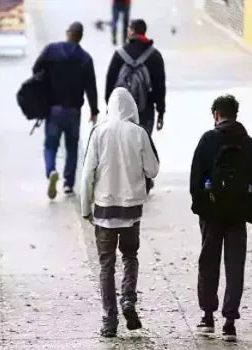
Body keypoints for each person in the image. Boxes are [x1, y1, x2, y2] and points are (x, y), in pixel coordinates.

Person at [80, 87, 159, 338]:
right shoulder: (139, 133)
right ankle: (128, 299)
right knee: (130, 256)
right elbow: (153, 169)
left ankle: (109, 320)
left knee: (106, 265)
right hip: (131, 211)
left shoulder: (99, 132)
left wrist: (85, 208)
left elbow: (87, 174)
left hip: (104, 210)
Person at [190, 95, 252, 342]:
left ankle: (208, 317)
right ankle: (230, 322)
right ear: (235, 114)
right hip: (238, 215)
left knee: (208, 263)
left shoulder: (208, 140)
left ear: (216, 115)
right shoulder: (249, 144)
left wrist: (201, 208)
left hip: (212, 213)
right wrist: (249, 213)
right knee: (235, 266)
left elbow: (195, 179)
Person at [32, 22, 99, 199]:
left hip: (53, 109)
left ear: (68, 33)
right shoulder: (85, 58)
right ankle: (68, 184)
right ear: (80, 36)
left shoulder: (51, 51)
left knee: (50, 145)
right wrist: (94, 110)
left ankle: (51, 170)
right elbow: (91, 87)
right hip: (73, 111)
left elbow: (36, 69)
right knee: (71, 147)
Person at [105, 19, 166, 193]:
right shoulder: (154, 56)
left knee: (123, 143)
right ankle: (145, 179)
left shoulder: (120, 54)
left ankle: (125, 180)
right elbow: (160, 86)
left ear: (131, 32)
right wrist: (161, 111)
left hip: (121, 109)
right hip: (145, 108)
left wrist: (109, 107)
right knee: (143, 142)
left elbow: (110, 83)